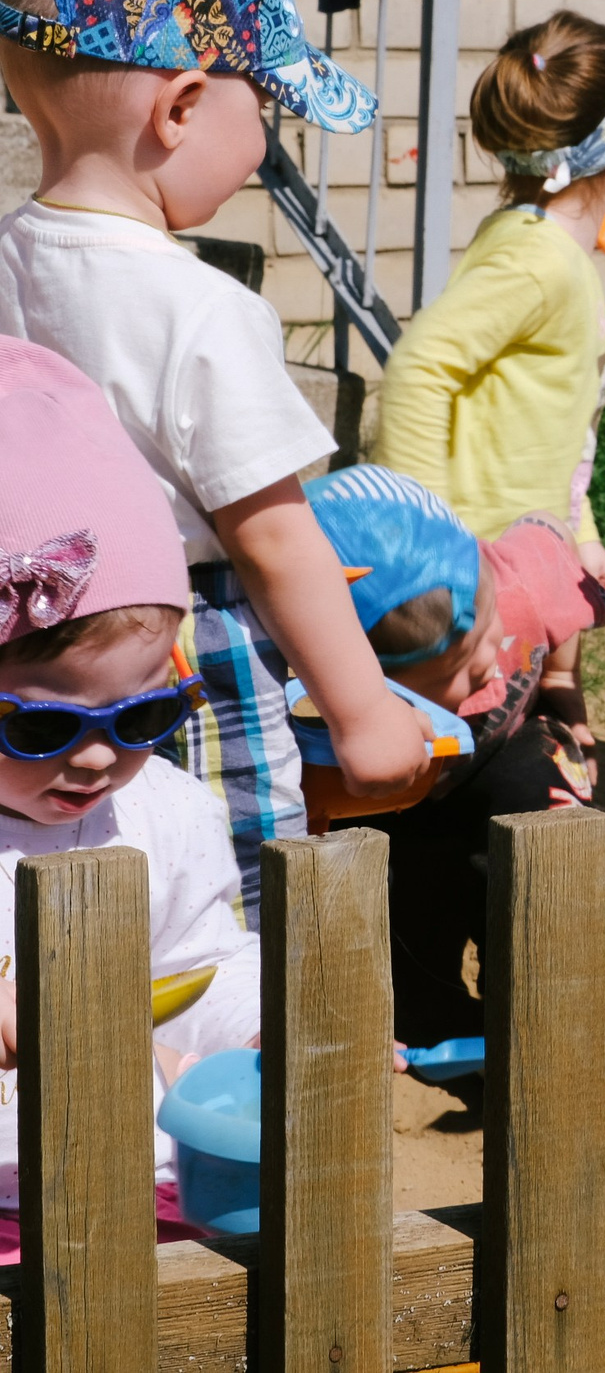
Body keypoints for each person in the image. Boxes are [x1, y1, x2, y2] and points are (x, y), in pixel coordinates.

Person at [0, 0, 430, 915]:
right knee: (222, 906)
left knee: (49, 897)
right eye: (267, 113)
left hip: (29, 663)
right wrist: (363, 710)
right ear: (182, 108)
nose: (265, 147)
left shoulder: (9, 259)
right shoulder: (205, 309)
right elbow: (273, 539)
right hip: (177, 657)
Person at [0, 336, 261, 1252]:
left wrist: (267, 1019)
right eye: (39, 727)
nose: (99, 758)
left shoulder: (170, 814)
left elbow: (204, 962)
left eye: (147, 714)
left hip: (136, 1185)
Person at [305, 465, 605, 1041]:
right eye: (454, 672)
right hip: (393, 789)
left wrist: (566, 687)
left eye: (487, 633)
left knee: (542, 830)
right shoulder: (319, 690)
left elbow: (548, 528)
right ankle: (427, 1011)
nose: (489, 663)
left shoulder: (518, 582)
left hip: (506, 748)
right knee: (406, 889)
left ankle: (536, 1001)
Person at [376, 10, 605, 623]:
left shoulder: (536, 246)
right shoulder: (538, 261)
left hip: (523, 558)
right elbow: (420, 366)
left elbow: (560, 429)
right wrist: (430, 542)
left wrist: (583, 536)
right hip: (480, 570)